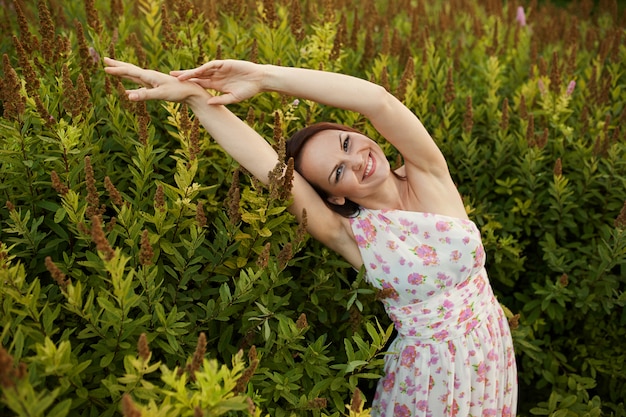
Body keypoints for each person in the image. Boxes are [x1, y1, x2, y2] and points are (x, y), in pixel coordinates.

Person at [104, 57, 517, 416]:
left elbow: (378, 100)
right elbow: (267, 167)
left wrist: (265, 77)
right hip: (428, 379)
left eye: (346, 143)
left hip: (492, 351)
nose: (357, 160)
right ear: (335, 197)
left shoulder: (428, 172)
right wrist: (195, 98)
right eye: (338, 172)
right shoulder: (352, 235)